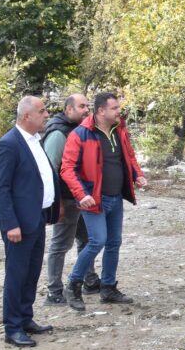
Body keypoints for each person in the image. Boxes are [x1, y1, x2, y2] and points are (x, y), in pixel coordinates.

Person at [61, 92, 147, 306]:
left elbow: (129, 156)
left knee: (114, 243)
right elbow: (67, 169)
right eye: (115, 108)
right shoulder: (80, 134)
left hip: (116, 197)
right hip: (94, 199)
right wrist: (82, 195)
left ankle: (108, 289)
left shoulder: (120, 129)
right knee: (97, 241)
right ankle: (73, 286)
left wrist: (137, 175)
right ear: (101, 111)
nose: (119, 111)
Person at [0, 96, 57, 347]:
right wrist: (11, 224)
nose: (46, 114)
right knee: (16, 275)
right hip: (18, 224)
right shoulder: (9, 144)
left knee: (31, 273)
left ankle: (25, 317)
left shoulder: (35, 141)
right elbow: (1, 189)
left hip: (37, 218)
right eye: (42, 111)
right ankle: (12, 327)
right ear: (26, 116)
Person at [42, 94, 101, 311]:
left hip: (81, 197)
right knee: (60, 245)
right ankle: (54, 291)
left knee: (87, 239)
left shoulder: (78, 130)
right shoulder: (59, 134)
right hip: (66, 199)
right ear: (68, 110)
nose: (87, 110)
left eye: (88, 106)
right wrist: (55, 204)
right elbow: (50, 171)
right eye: (82, 106)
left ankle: (90, 281)